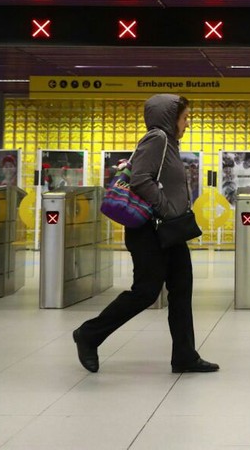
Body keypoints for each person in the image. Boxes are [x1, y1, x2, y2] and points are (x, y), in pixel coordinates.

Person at [73, 94, 218, 374]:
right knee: (146, 291)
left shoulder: (170, 144)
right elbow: (140, 178)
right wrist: (165, 209)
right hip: (150, 230)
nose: (187, 123)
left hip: (169, 230)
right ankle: (89, 334)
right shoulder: (158, 139)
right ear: (170, 117)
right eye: (185, 117)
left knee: (181, 290)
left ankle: (185, 356)